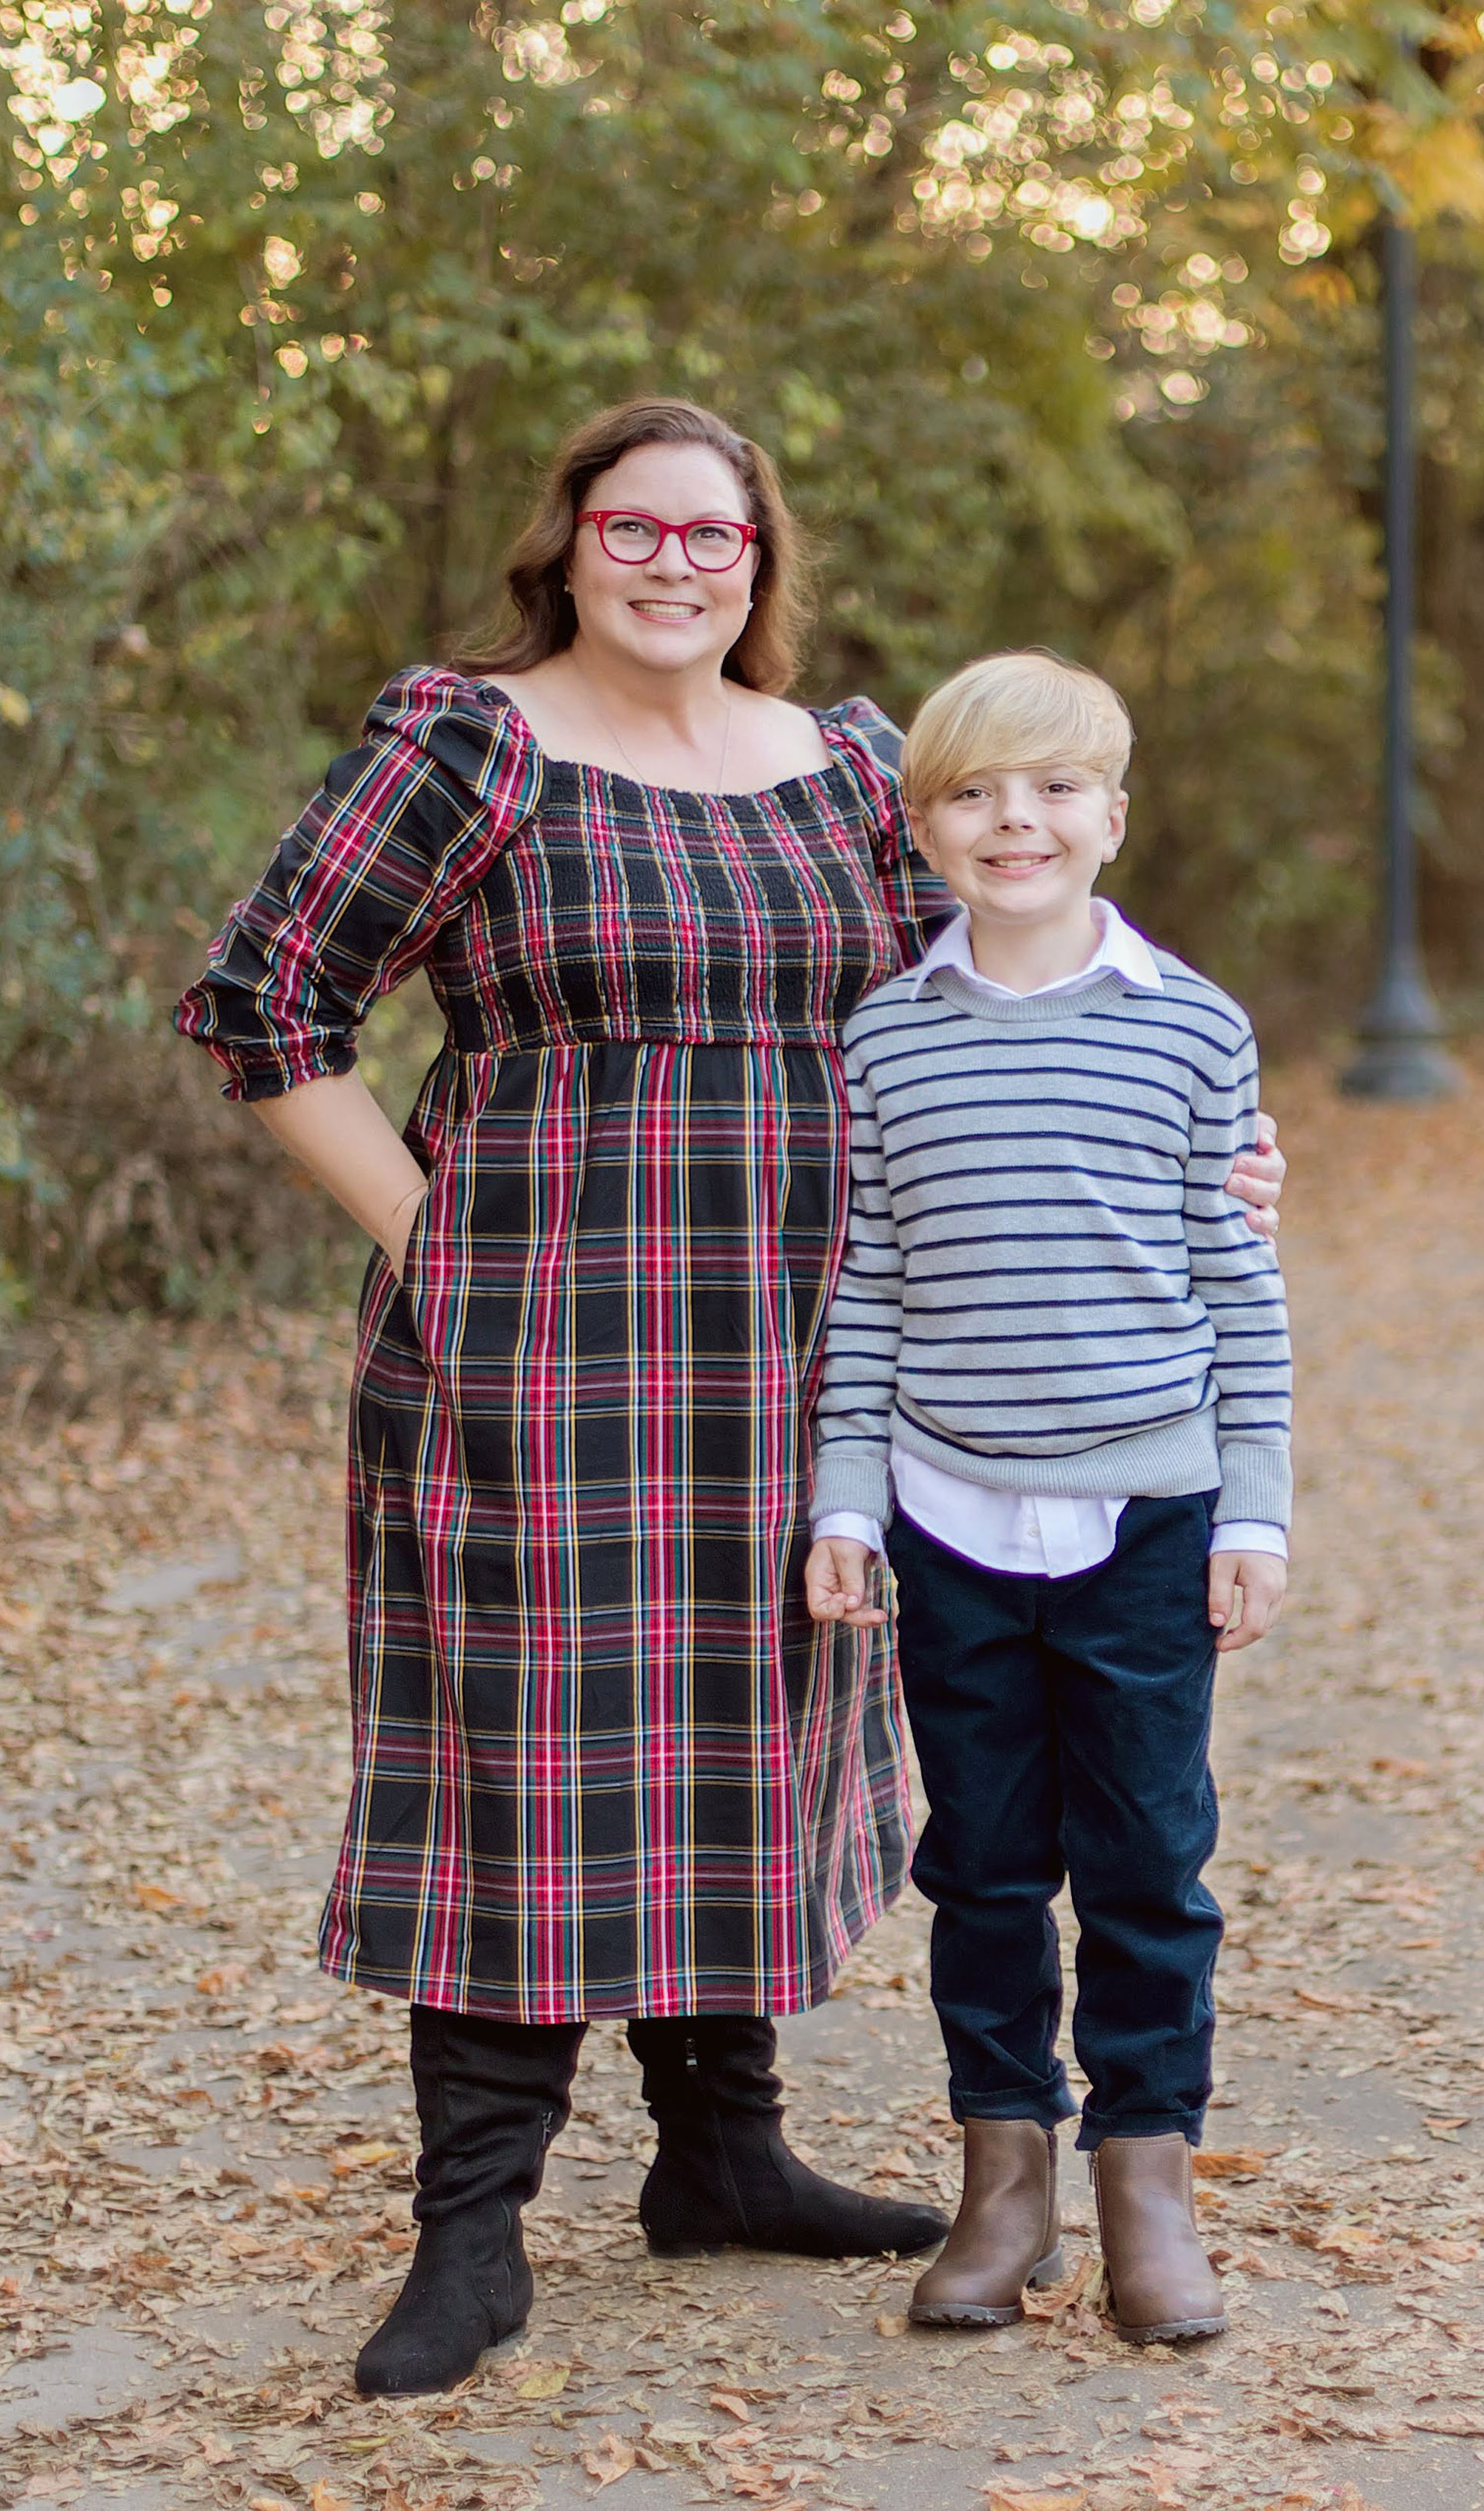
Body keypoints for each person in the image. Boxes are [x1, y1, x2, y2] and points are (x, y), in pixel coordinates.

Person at [172, 403, 1286, 2397]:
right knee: (516, 1741)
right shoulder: (472, 744)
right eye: (637, 525)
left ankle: (723, 2150)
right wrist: (440, 1236)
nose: (676, 563)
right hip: (538, 1354)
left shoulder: (850, 768)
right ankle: (472, 2228)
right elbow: (267, 1001)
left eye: (718, 534)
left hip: (811, 1344)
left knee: (753, 1724)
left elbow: (1013, 966)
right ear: (570, 539)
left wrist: (1205, 1146)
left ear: (763, 562)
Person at [801, 651, 1289, 2347]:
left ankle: (1146, 2179)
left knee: (1151, 1858)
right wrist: (846, 1502)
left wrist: (1255, 1506)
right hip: (944, 1513)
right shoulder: (885, 1033)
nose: (1019, 820)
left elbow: (1241, 1288)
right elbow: (867, 1288)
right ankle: (1004, 2181)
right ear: (923, 828)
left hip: (1147, 1511)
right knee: (988, 1865)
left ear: (1113, 817)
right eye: (978, 794)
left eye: (1056, 788)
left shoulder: (1190, 1024)